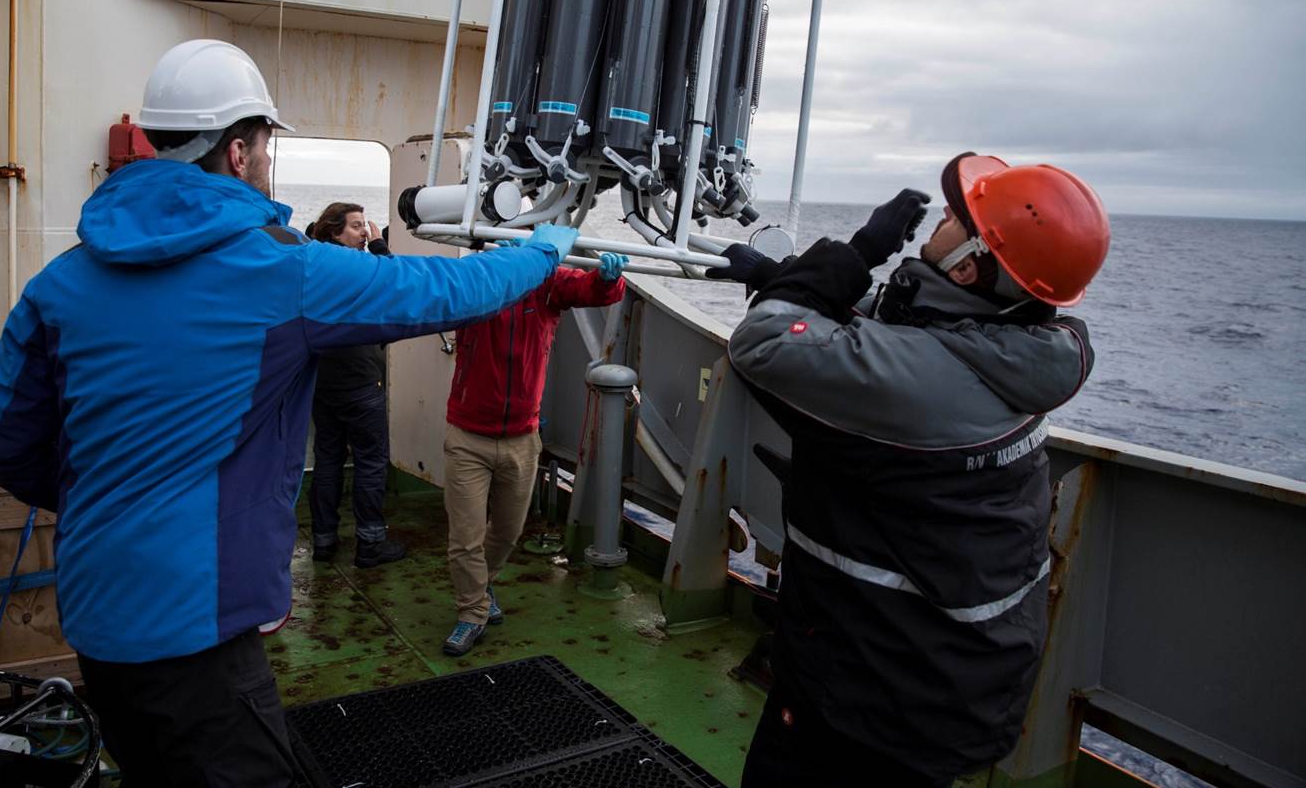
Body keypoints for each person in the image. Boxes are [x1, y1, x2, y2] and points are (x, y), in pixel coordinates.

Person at [0, 38, 581, 787]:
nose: (267, 161)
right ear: (238, 152)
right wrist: (541, 251)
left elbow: (5, 445)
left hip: (97, 616)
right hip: (196, 627)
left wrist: (114, 502)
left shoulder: (60, 280)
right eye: (266, 146)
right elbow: (446, 291)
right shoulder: (281, 271)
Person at [709, 153, 1110, 787]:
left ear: (969, 265)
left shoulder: (924, 383)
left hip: (868, 693)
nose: (946, 213)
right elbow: (900, 327)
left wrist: (859, 251)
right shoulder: (1025, 349)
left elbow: (763, 344)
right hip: (946, 680)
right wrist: (783, 276)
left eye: (960, 218)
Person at [440, 250, 629, 656]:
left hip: (521, 438)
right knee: (465, 538)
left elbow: (591, 291)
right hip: (468, 437)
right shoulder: (475, 282)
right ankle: (472, 612)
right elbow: (436, 295)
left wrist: (607, 279)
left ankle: (482, 586)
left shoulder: (545, 285)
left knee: (507, 531)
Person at [308, 202, 401, 566]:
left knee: (328, 460)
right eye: (357, 226)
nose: (364, 232)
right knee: (370, 463)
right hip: (361, 383)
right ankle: (370, 543)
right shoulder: (358, 266)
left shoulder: (314, 264)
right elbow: (398, 286)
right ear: (335, 232)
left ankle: (323, 541)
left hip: (323, 382)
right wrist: (378, 247)